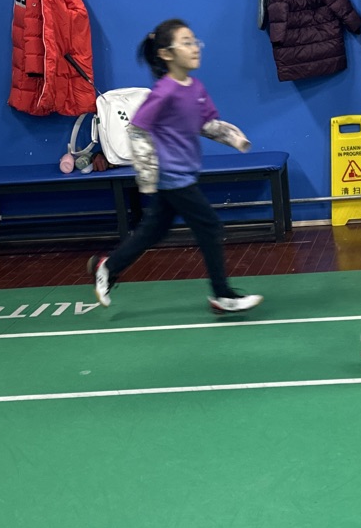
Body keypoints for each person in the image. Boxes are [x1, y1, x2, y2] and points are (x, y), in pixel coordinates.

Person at [90, 19, 263, 315]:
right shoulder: (164, 92)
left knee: (153, 231)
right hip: (171, 177)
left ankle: (107, 267)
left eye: (195, 41)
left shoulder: (195, 88)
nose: (194, 47)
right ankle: (222, 295)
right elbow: (137, 130)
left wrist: (233, 137)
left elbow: (205, 124)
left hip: (184, 174)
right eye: (186, 42)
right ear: (166, 54)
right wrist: (147, 177)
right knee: (210, 226)